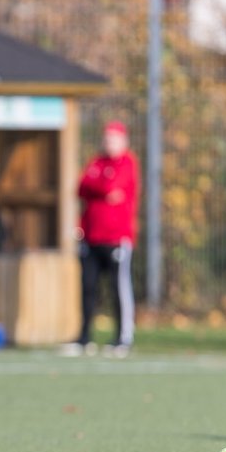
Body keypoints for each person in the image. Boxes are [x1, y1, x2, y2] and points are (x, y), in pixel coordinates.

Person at [63, 120, 139, 358]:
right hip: (91, 238)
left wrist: (99, 187)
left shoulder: (127, 163)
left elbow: (111, 186)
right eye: (106, 139)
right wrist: (101, 189)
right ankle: (84, 337)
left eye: (113, 139)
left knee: (118, 289)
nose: (109, 143)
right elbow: (81, 186)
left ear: (123, 141)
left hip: (117, 239)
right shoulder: (96, 162)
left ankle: (123, 338)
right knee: (88, 288)